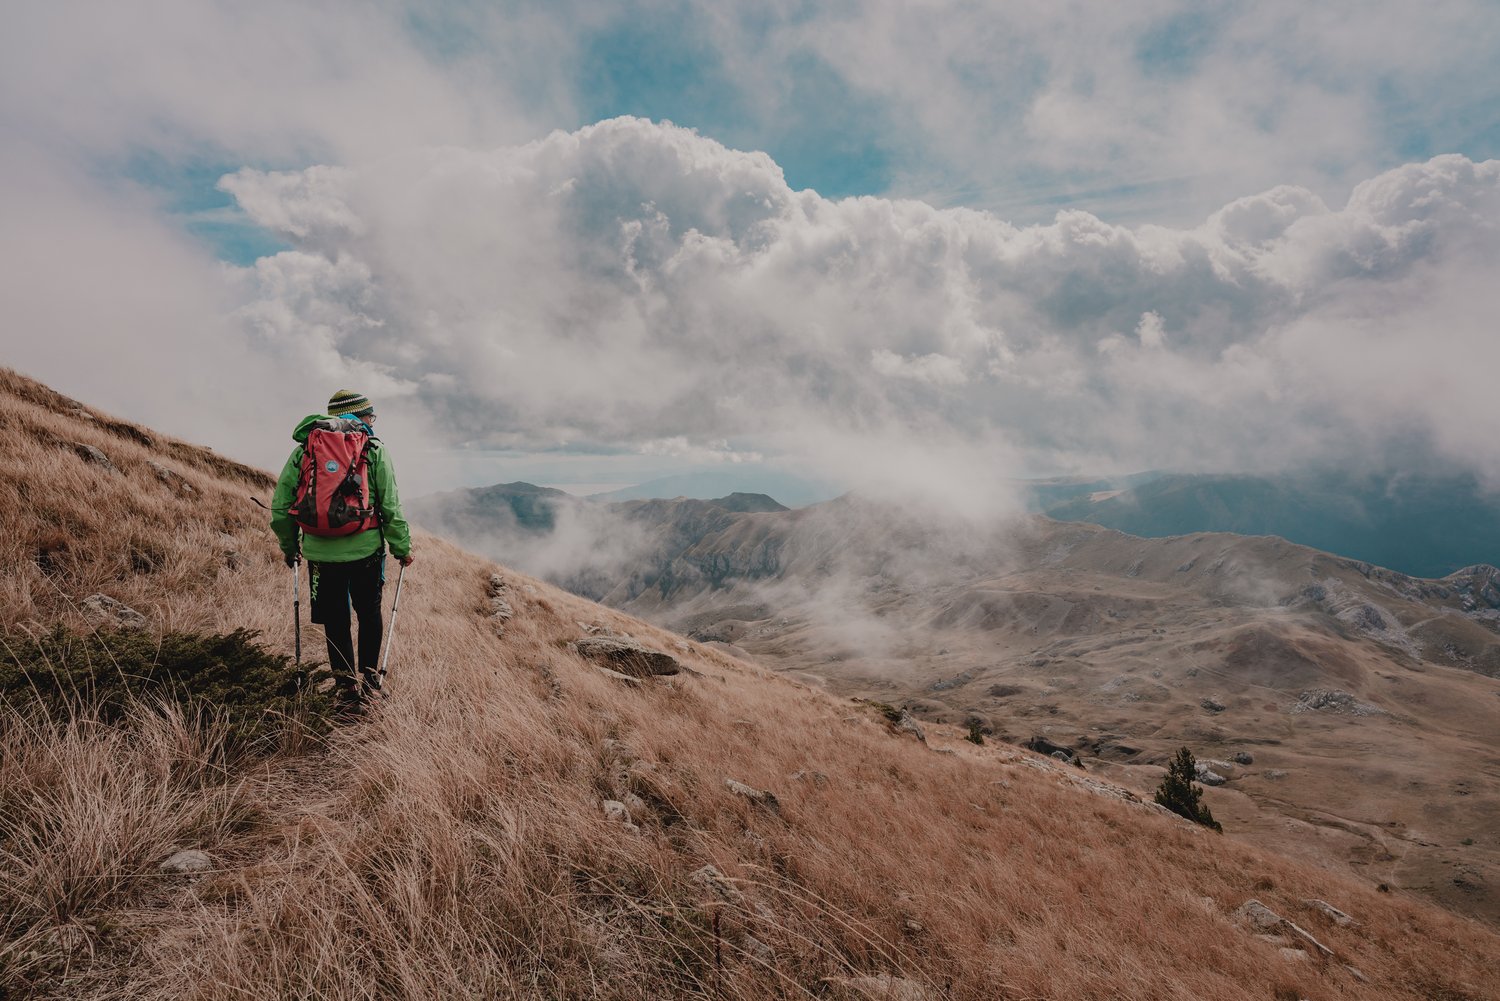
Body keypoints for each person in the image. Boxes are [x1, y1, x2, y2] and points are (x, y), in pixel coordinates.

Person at [271, 390, 413, 711]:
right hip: (367, 551)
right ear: (361, 417)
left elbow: (281, 507)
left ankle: (346, 692)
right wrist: (402, 547)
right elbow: (390, 506)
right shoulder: (374, 450)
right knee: (369, 611)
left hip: (321, 554)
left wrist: (291, 548)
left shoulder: (305, 450)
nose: (372, 423)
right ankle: (370, 683)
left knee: (336, 618)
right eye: (371, 417)